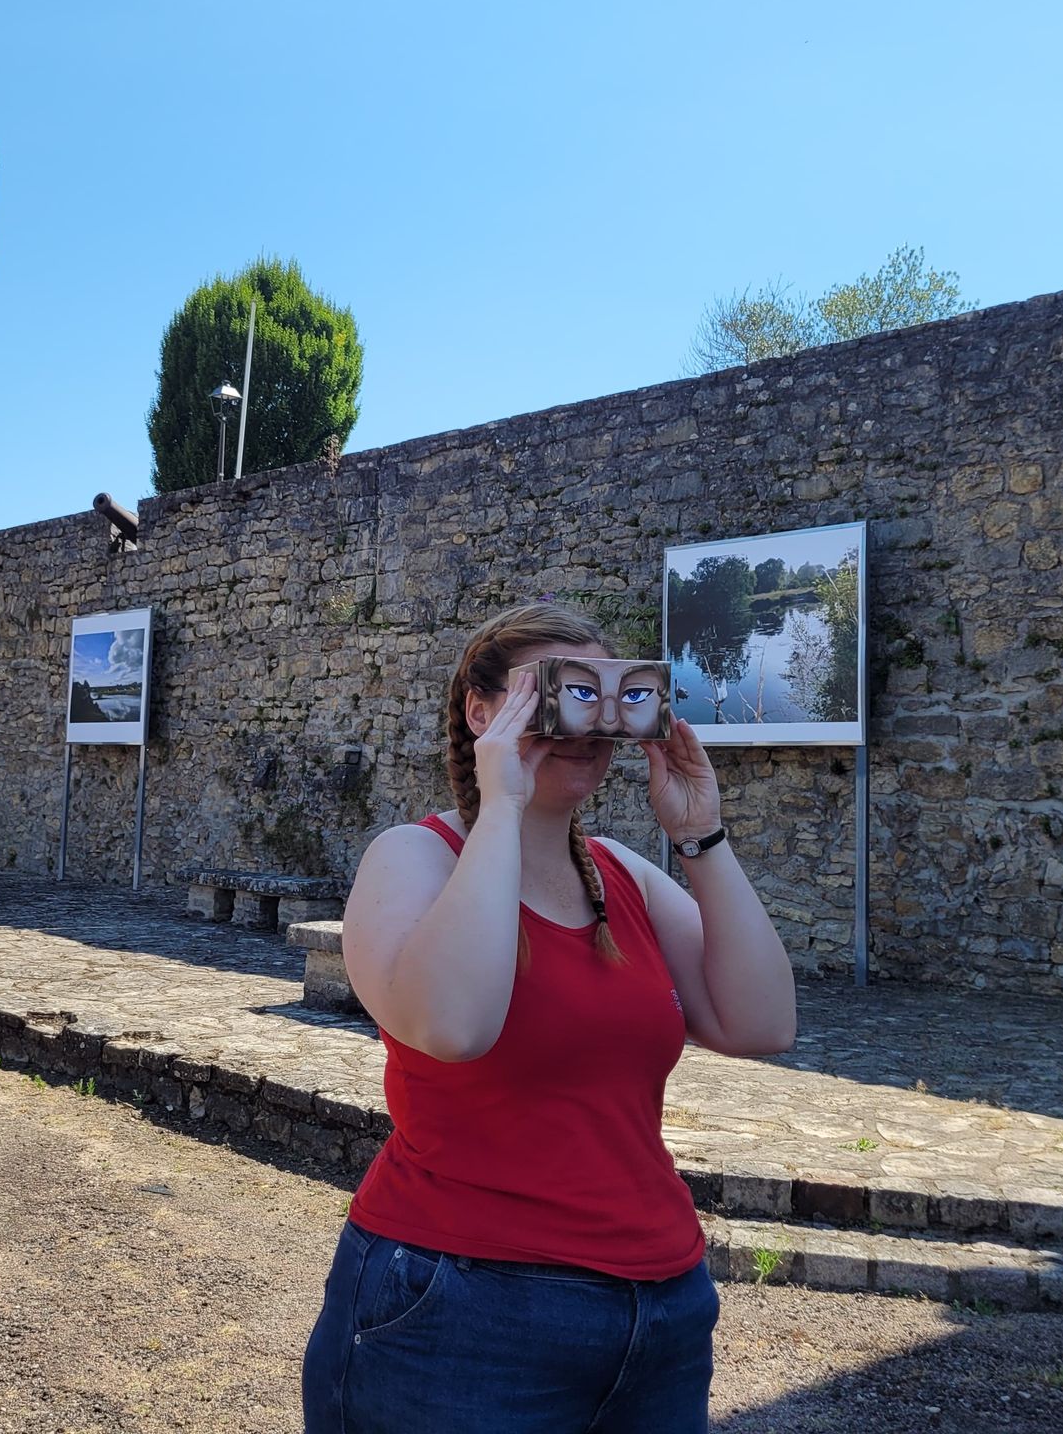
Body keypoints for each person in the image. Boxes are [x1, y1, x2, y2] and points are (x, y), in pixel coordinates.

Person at [301, 602, 798, 1433]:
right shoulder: (414, 857)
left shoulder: (621, 875)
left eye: (610, 695)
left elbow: (762, 1022)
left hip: (662, 1308)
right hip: (458, 1310)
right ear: (481, 710)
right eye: (556, 696)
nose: (588, 724)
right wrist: (500, 805)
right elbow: (454, 1027)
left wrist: (701, 834)